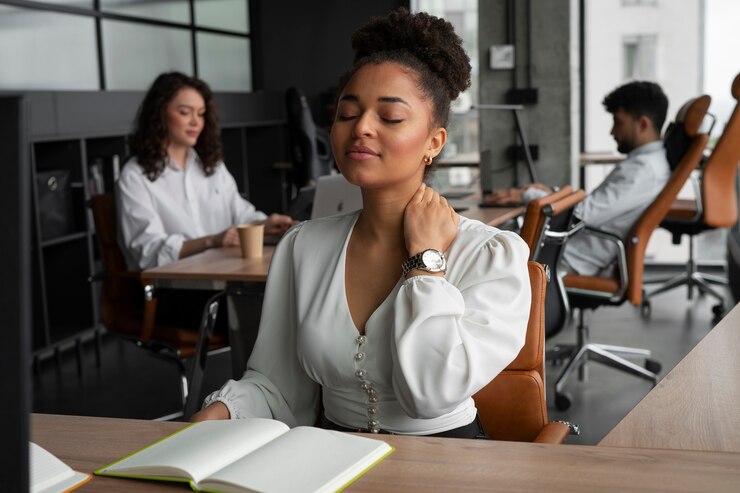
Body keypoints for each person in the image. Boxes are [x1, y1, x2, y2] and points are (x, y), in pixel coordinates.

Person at [191, 8, 531, 439]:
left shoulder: (489, 254)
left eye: (389, 117)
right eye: (347, 114)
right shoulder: (303, 246)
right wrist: (220, 412)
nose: (361, 128)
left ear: (434, 141)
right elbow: (277, 387)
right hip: (331, 460)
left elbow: (430, 394)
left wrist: (426, 265)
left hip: (447, 464)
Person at [485, 81, 670, 276]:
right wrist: (551, 194)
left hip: (566, 257)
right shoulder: (651, 164)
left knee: (477, 253)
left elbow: (579, 215)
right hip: (567, 249)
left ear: (643, 124)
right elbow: (595, 207)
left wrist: (528, 195)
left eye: (618, 122)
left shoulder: (642, 170)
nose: (612, 131)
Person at [117, 71, 294, 271]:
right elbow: (146, 250)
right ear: (159, 114)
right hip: (175, 283)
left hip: (225, 270)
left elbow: (240, 215)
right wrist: (212, 241)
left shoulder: (211, 165)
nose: (196, 122)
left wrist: (266, 225)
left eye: (201, 114)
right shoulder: (134, 175)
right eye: (185, 112)